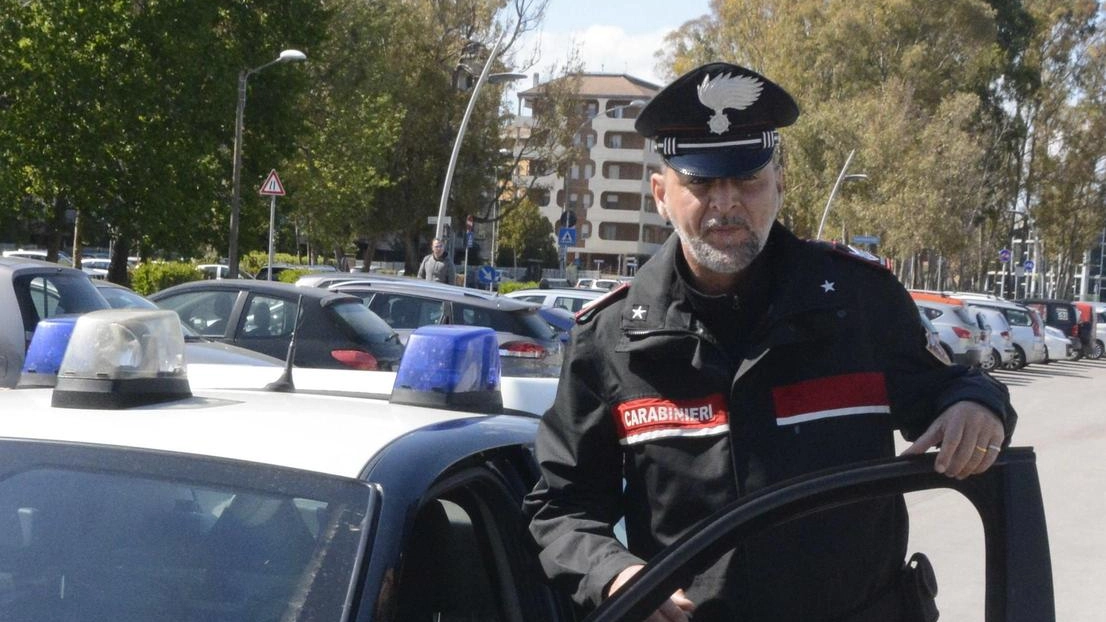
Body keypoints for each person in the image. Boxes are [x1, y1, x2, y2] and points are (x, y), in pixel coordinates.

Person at [524, 62, 1017, 622]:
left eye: (748, 181)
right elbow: (562, 506)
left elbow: (951, 389)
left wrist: (977, 407)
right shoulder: (610, 339)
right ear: (661, 194)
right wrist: (616, 573)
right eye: (702, 182)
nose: (727, 204)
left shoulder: (859, 302)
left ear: (780, 183)